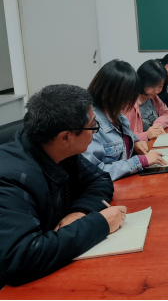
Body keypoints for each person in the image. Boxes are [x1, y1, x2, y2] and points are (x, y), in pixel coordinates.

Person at [0, 84, 127, 286]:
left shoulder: (59, 151)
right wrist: (99, 224)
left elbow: (99, 179)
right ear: (66, 137)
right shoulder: (11, 178)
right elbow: (21, 258)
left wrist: (80, 211)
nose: (96, 132)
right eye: (93, 125)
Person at [83, 60, 168, 181]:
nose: (131, 100)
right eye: (128, 95)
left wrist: (135, 141)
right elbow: (95, 173)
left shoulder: (117, 115)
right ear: (112, 93)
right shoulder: (91, 125)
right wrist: (140, 161)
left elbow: (126, 136)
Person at [124, 60, 168, 142]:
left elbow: (167, 113)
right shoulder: (128, 104)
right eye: (153, 86)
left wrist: (158, 125)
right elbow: (124, 138)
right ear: (142, 81)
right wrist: (146, 135)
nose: (157, 91)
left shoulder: (153, 97)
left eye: (161, 86)